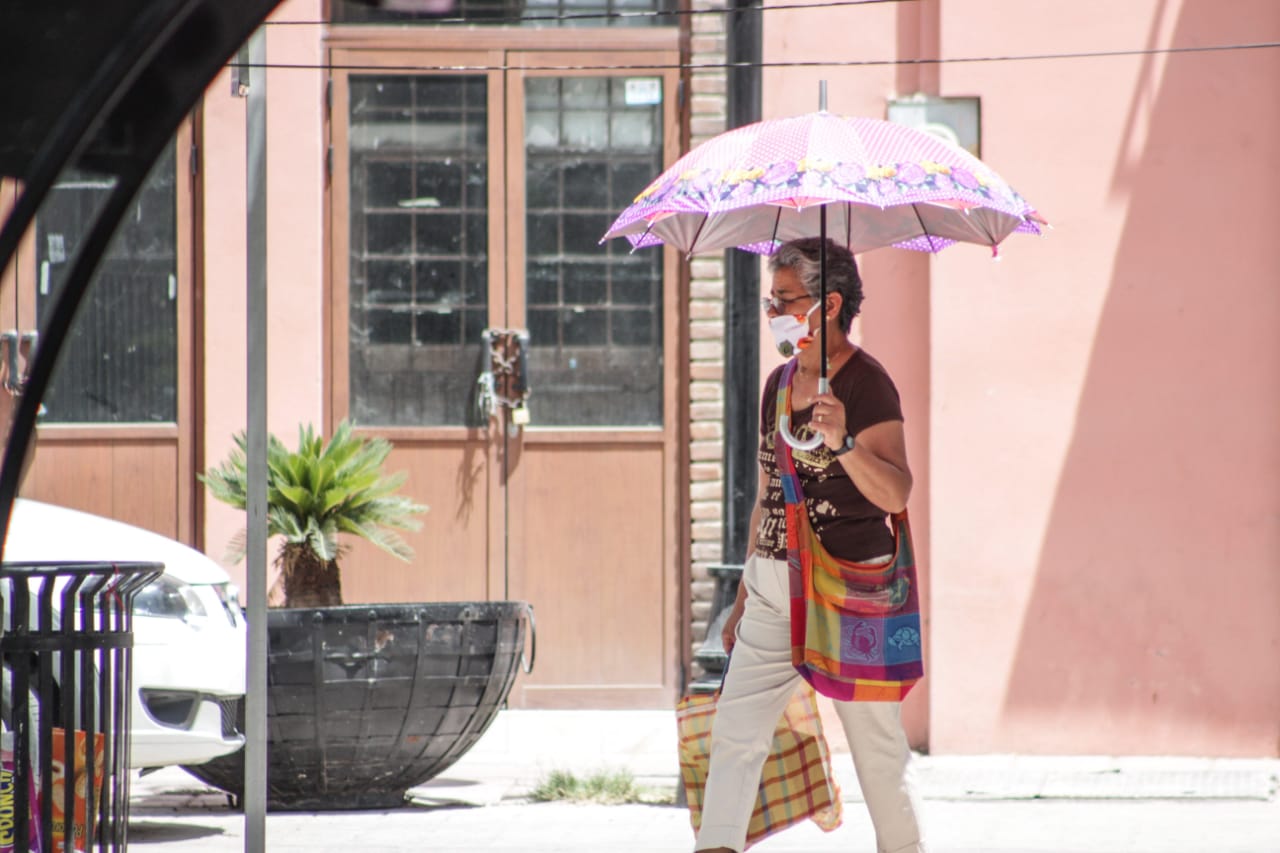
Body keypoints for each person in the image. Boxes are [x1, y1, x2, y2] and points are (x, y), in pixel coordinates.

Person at [694, 237, 925, 853]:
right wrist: (743, 595)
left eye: (785, 299)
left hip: (852, 587)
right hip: (775, 583)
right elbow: (769, 490)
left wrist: (844, 441)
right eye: (770, 300)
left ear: (829, 304)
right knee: (735, 733)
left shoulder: (867, 384)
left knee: (876, 749)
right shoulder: (778, 383)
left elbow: (896, 493)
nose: (774, 311)